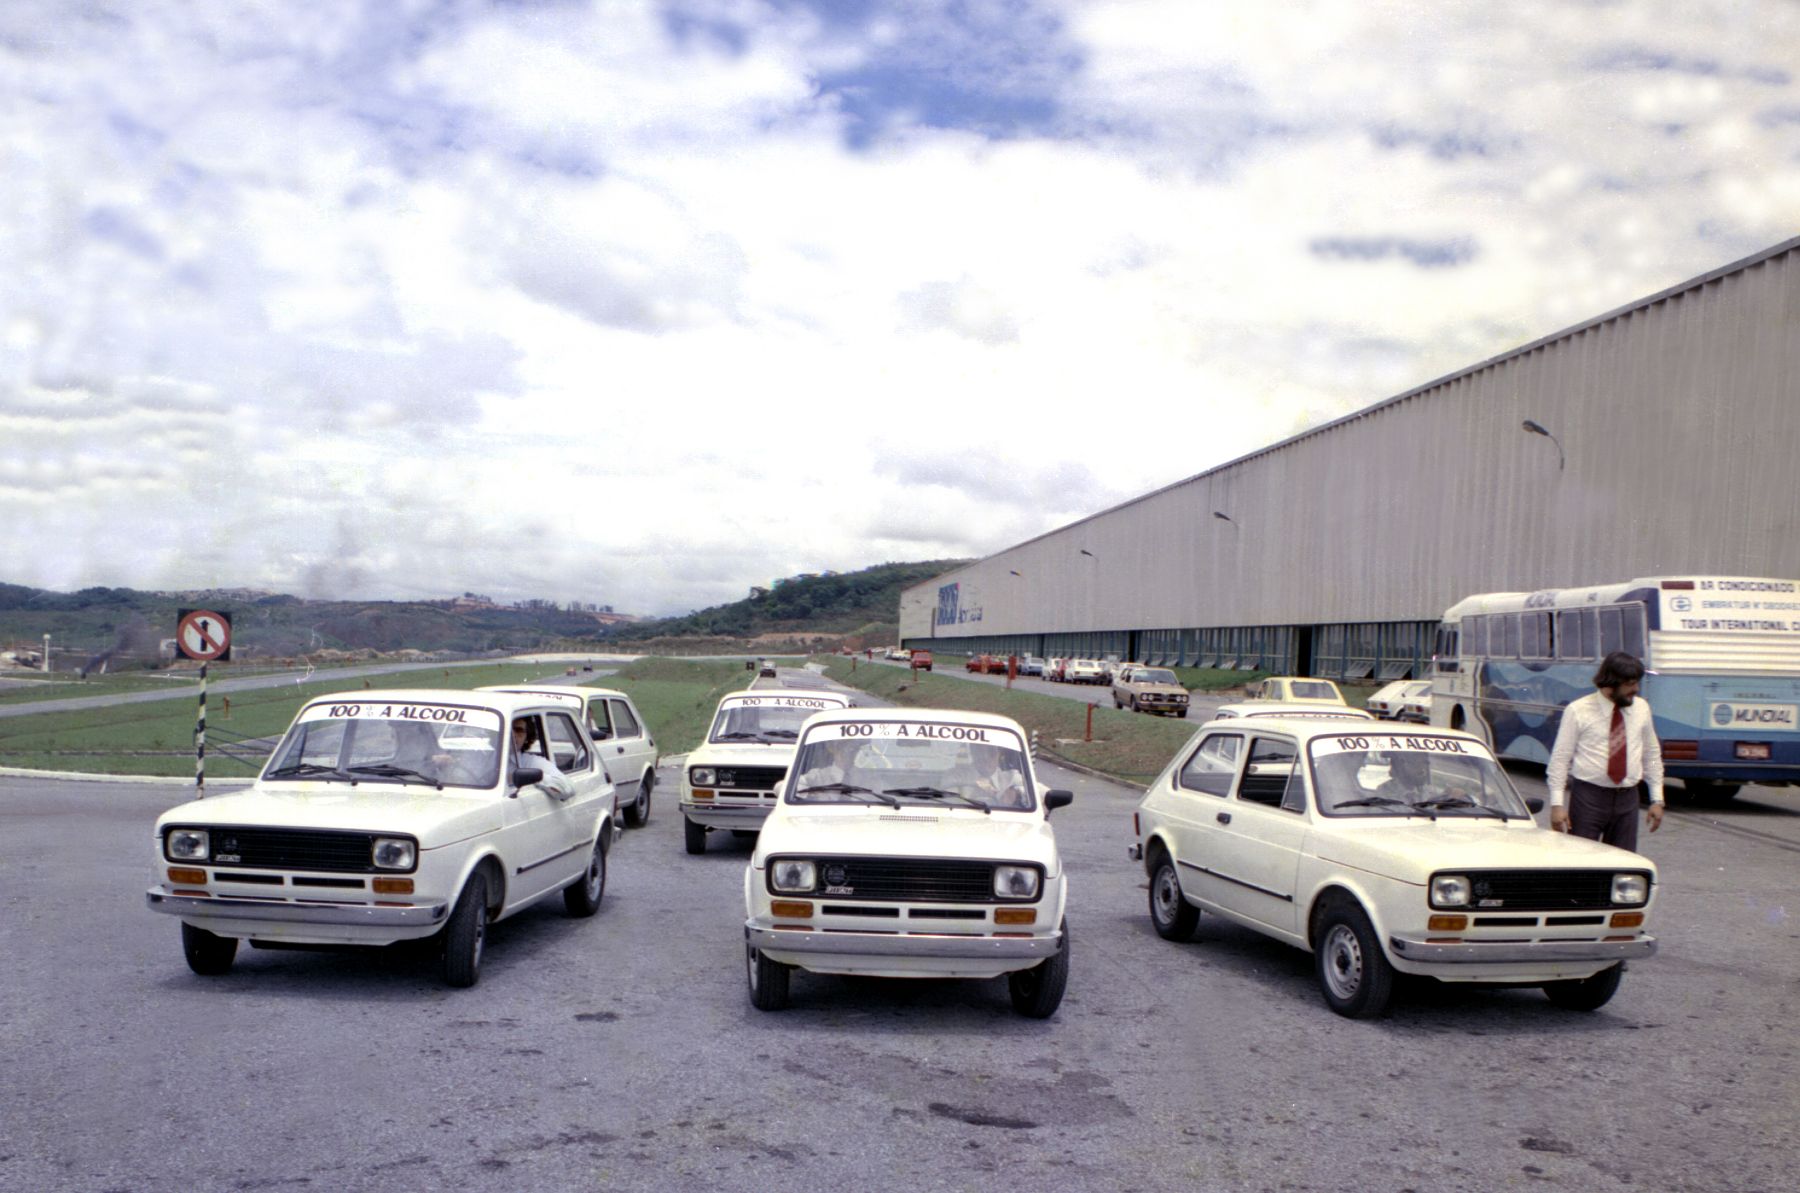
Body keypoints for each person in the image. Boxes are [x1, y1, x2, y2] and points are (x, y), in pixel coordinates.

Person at [1545, 651, 1664, 849]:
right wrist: (1557, 805)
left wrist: (1657, 799)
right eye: (1630, 684)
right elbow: (1560, 759)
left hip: (1628, 799)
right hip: (1589, 798)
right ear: (1611, 683)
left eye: (1637, 683)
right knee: (1583, 863)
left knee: (1623, 863)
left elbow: (1651, 754)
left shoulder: (1641, 708)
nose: (1636, 690)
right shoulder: (1578, 710)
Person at [510, 717, 574, 799]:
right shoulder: (488, 759)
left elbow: (567, 788)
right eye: (508, 730)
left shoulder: (531, 762)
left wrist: (534, 778)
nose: (512, 734)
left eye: (519, 730)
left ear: (527, 738)